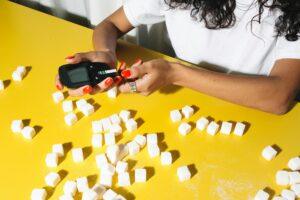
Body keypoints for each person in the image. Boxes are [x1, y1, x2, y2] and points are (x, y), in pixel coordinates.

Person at [55, 0, 300, 115]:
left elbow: (279, 97)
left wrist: (176, 73)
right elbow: (109, 25)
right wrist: (105, 53)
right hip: (186, 108)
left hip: (254, 114)